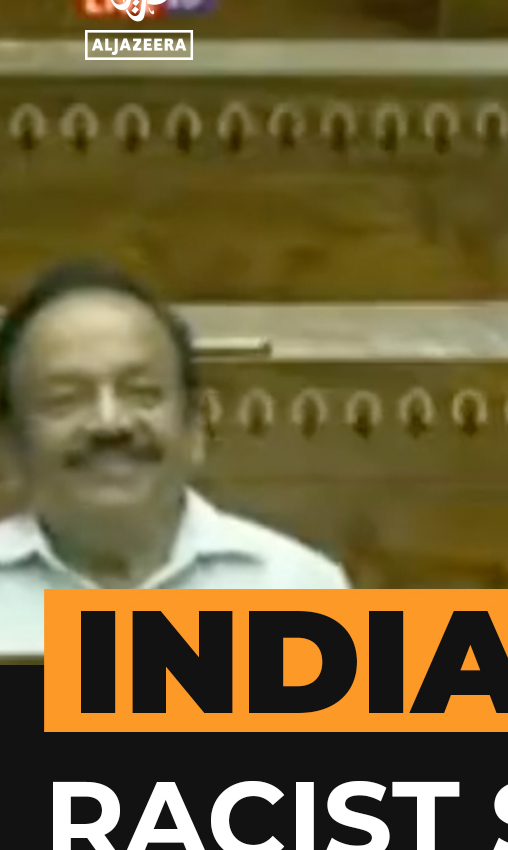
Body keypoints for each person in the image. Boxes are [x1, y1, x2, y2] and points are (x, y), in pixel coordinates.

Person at [0, 262, 350, 657]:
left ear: (194, 425)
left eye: (142, 392)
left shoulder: (297, 588)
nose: (110, 422)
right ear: (12, 444)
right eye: (65, 399)